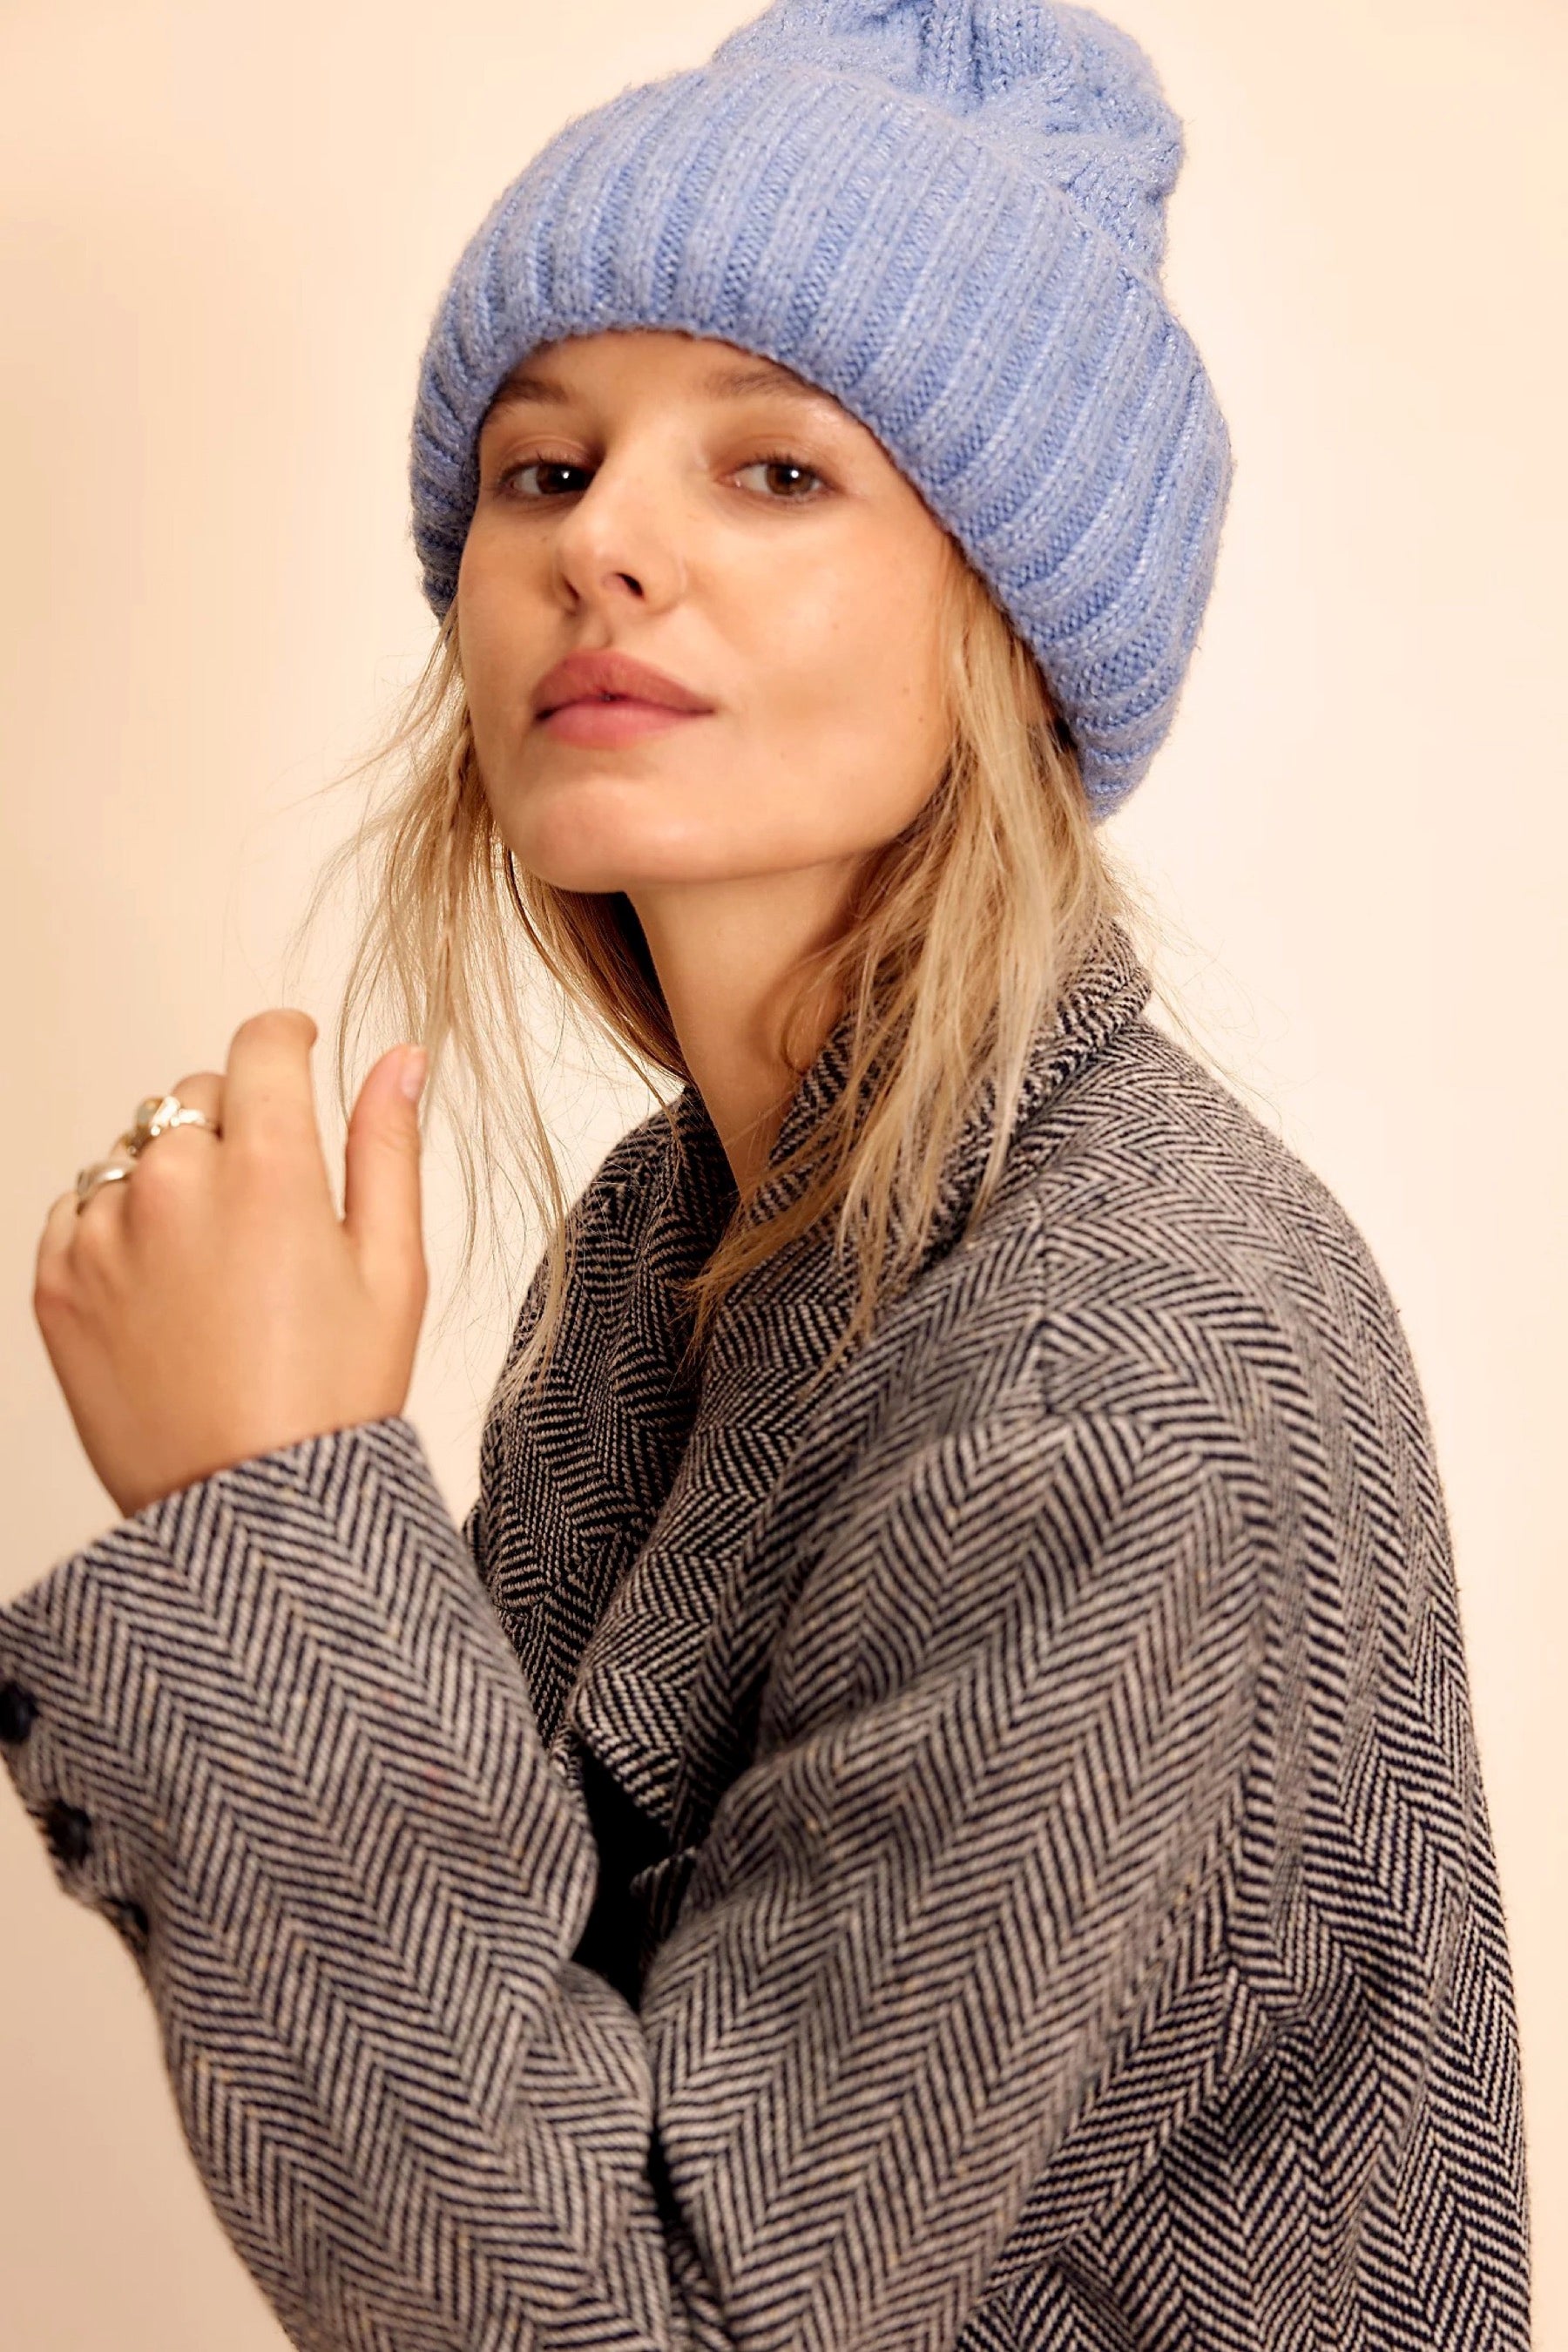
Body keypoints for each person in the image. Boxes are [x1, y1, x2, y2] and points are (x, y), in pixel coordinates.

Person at [0, 2, 1531, 2347]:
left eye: (779, 471)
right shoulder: (663, 1244)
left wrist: (268, 1511)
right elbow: (523, 2070)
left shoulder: (1124, 1363)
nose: (603, 544)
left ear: (1013, 622)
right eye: (542, 467)